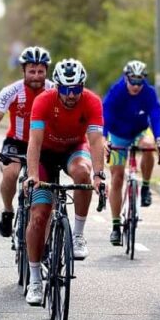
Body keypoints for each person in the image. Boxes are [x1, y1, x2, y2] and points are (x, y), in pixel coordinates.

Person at [22, 58, 108, 305]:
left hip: (73, 149)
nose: (71, 95)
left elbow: (95, 141)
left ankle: (78, 235)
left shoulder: (91, 101)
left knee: (83, 172)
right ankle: (36, 280)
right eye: (66, 90)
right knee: (39, 215)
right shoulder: (44, 100)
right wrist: (32, 176)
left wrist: (99, 175)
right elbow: (34, 142)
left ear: (82, 86)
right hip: (45, 156)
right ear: (57, 86)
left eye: (76, 89)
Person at [0, 46, 53, 238]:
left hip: (44, 145)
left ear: (46, 71)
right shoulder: (12, 91)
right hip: (17, 142)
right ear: (23, 71)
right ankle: (7, 211)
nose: (36, 76)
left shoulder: (54, 89)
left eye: (40, 72)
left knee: (47, 185)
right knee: (11, 173)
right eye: (32, 71)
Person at [102, 60, 160, 245]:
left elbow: (156, 114)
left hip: (139, 131)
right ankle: (115, 226)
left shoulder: (148, 92)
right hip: (118, 134)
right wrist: (105, 139)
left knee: (148, 144)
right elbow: (105, 114)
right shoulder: (117, 91)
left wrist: (159, 138)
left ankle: (145, 187)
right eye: (133, 81)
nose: (136, 86)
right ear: (126, 78)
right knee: (117, 177)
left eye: (140, 82)